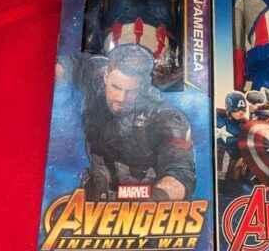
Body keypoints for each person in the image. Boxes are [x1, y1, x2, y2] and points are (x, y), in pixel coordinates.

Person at [72, 44, 194, 200]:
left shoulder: (165, 118)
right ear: (105, 76)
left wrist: (151, 200)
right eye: (116, 87)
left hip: (143, 200)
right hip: (95, 190)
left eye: (131, 91)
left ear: (144, 86)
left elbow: (181, 176)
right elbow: (69, 63)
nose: (121, 98)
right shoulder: (94, 76)